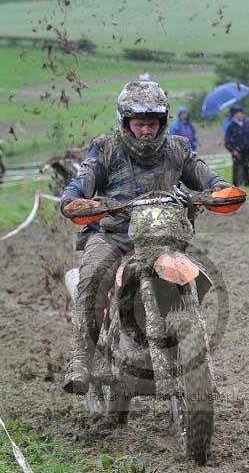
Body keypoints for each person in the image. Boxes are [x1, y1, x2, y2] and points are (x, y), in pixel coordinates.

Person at [60, 80, 232, 395]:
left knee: (200, 278)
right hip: (114, 235)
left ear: (162, 123)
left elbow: (201, 172)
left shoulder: (178, 147)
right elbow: (82, 180)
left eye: (152, 124)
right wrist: (77, 199)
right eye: (139, 124)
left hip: (165, 235)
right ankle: (79, 360)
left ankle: (199, 366)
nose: (146, 131)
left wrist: (220, 187)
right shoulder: (105, 148)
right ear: (126, 123)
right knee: (92, 277)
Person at [224, 106, 249, 188]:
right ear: (234, 115)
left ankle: (248, 185)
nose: (240, 116)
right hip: (236, 151)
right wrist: (232, 150)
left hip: (247, 150)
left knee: (246, 168)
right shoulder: (231, 126)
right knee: (236, 169)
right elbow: (227, 141)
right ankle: (236, 186)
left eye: (241, 114)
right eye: (238, 114)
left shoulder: (247, 125)